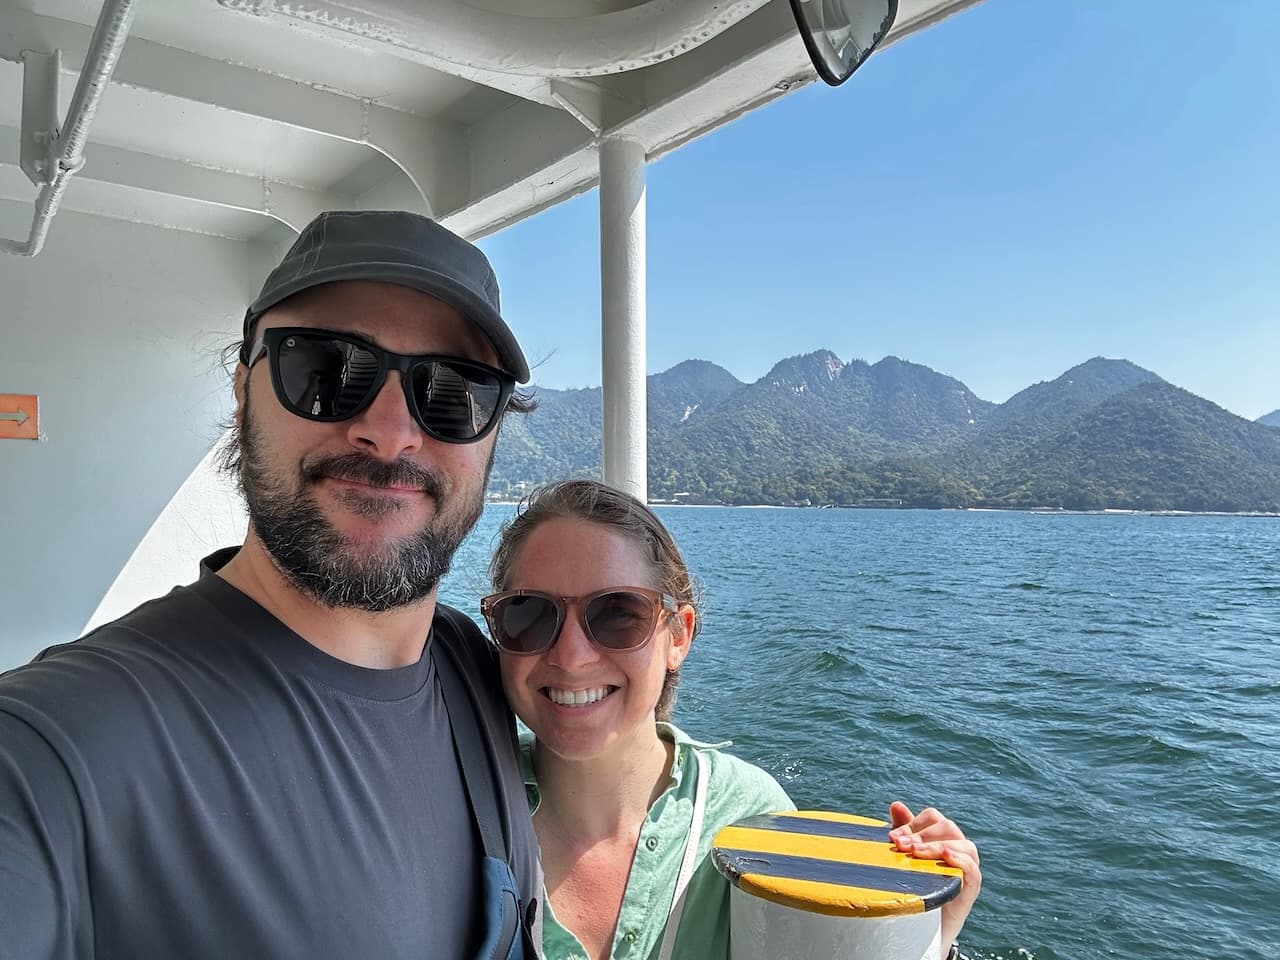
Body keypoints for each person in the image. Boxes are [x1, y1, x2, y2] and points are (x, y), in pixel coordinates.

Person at [0, 211, 543, 960]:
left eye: (453, 391)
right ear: (242, 389)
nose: (390, 432)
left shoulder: (472, 664)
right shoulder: (52, 750)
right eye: (324, 370)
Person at [482, 479, 981, 960]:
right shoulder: (461, 810)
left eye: (617, 613)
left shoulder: (753, 820)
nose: (570, 656)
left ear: (678, 634)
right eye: (528, 614)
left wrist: (926, 939)